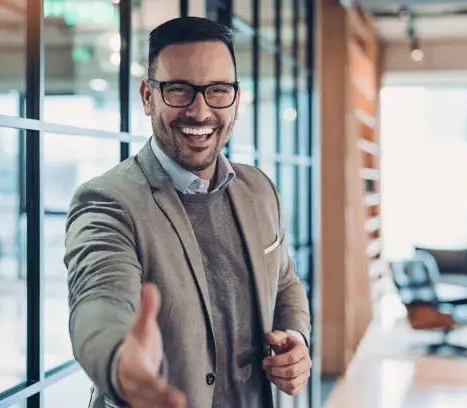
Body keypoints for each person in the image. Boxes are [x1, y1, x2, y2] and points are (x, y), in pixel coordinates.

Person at [64, 16, 311, 408]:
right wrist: (119, 361)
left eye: (217, 90)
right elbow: (99, 299)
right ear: (148, 96)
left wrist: (295, 337)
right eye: (179, 90)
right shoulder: (108, 200)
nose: (200, 111)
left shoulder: (260, 189)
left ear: (235, 97)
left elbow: (284, 282)